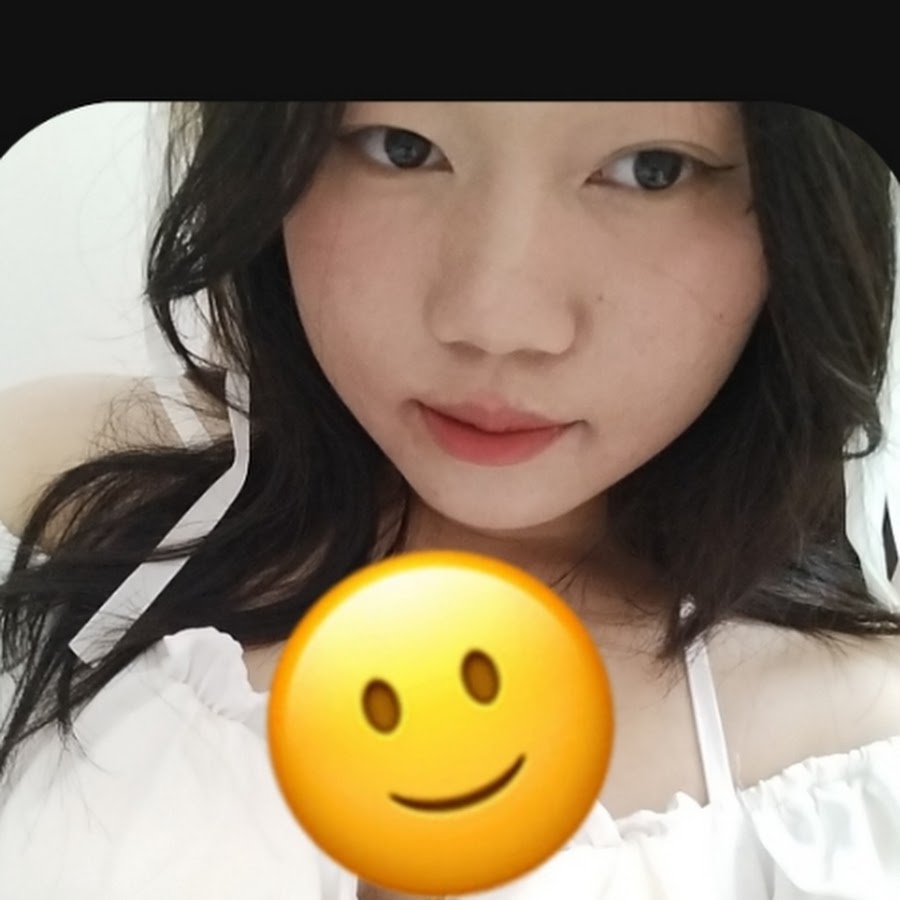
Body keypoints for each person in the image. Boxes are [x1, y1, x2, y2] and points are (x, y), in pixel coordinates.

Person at [1, 102, 899, 899]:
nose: (494, 322)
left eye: (651, 169)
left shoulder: (854, 763)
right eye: (400, 146)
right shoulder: (65, 486)